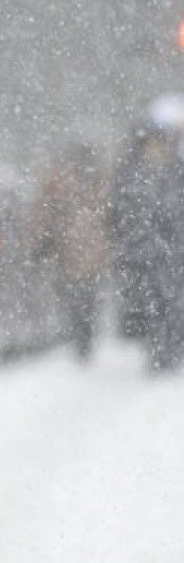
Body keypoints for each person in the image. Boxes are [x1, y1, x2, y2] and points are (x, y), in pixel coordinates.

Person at [111, 97, 184, 372]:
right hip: (144, 255)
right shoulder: (131, 173)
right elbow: (119, 213)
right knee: (151, 304)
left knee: (173, 303)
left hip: (174, 254)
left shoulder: (177, 172)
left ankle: (170, 348)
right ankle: (157, 351)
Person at [30, 142, 110, 361]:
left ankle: (81, 336)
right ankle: (84, 335)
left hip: (71, 251)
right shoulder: (100, 184)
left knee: (76, 295)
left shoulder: (63, 184)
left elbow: (46, 214)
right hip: (90, 251)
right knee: (86, 296)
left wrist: (42, 241)